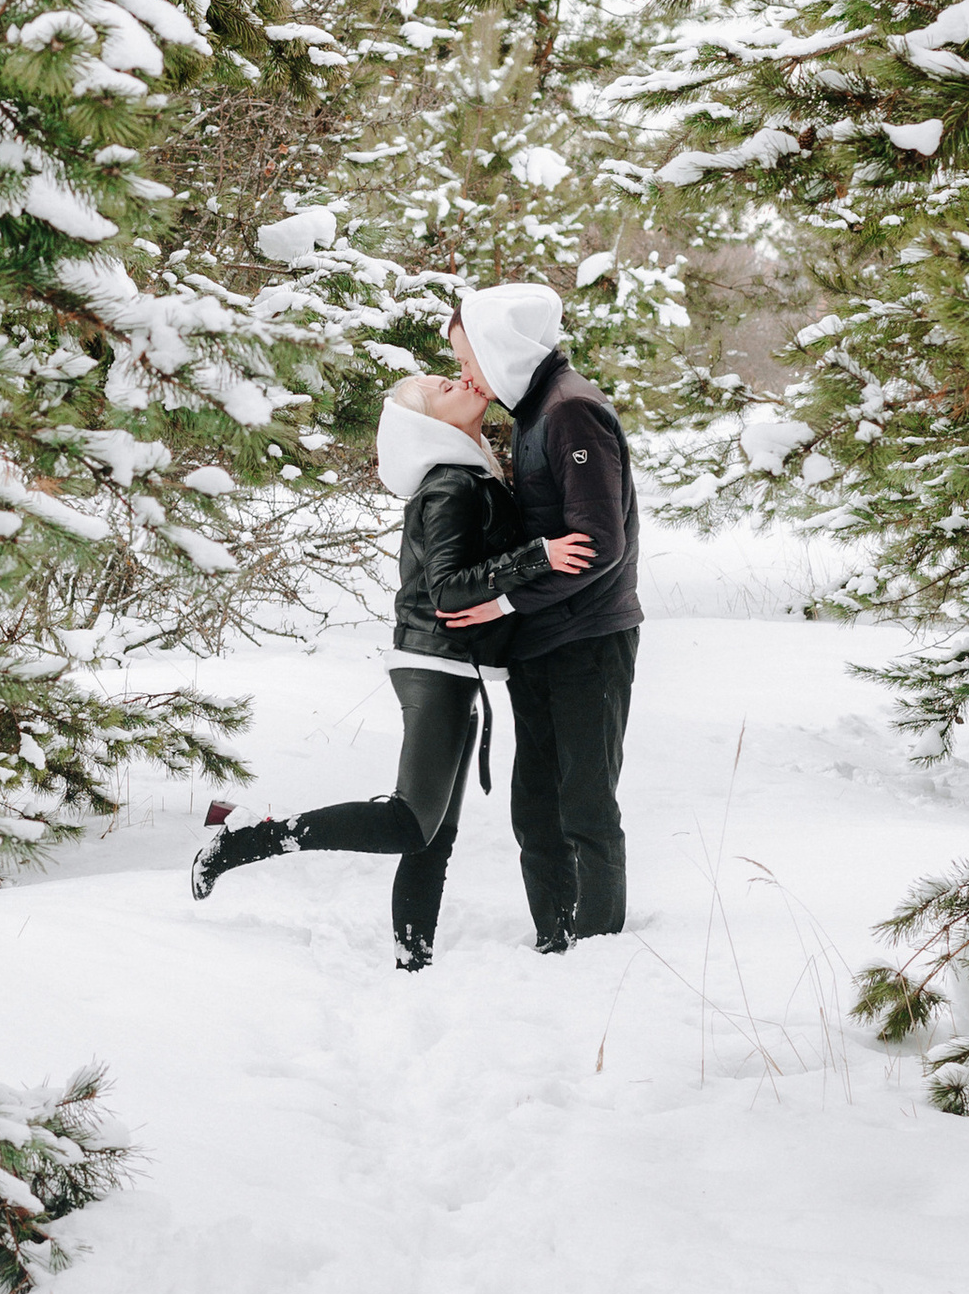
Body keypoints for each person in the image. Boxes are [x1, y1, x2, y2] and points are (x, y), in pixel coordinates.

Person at [189, 371, 591, 969]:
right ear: (431, 423)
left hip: (453, 665)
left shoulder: (473, 475)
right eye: (443, 388)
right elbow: (449, 590)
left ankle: (412, 961)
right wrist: (538, 557)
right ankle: (242, 840)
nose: (462, 381)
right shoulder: (449, 486)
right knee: (408, 823)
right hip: (434, 663)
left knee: (431, 834)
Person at [436, 281, 640, 952]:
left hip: (588, 637)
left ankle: (598, 944)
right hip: (542, 641)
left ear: (499, 346)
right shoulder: (533, 411)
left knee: (583, 801)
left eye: (469, 357)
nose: (466, 374)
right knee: (536, 806)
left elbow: (599, 544)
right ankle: (556, 937)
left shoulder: (570, 411)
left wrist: (504, 600)